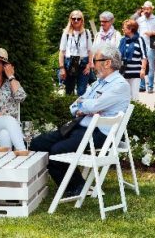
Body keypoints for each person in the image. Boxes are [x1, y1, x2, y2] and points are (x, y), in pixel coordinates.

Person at [30, 43, 131, 197]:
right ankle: (44, 184)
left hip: (99, 133)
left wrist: (84, 106)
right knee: (38, 143)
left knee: (57, 150)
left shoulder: (119, 85)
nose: (92, 65)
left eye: (95, 61)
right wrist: (84, 107)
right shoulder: (98, 82)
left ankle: (76, 187)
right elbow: (76, 105)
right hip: (80, 126)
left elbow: (93, 105)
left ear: (107, 63)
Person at [59, 10, 92, 95]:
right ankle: (69, 107)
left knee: (81, 91)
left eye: (78, 18)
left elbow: (90, 51)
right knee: (69, 90)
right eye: (74, 18)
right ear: (71, 20)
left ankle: (81, 108)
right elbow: (62, 51)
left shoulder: (87, 32)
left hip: (83, 63)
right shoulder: (66, 33)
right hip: (70, 62)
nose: (76, 20)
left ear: (82, 20)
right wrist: (62, 68)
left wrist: (89, 65)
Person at [136, 1, 155, 94]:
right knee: (141, 65)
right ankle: (142, 85)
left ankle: (150, 86)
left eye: (148, 9)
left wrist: (152, 33)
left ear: (151, 9)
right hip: (141, 45)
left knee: (151, 66)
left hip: (151, 46)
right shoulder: (139, 20)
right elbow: (137, 32)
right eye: (145, 9)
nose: (146, 11)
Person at [119, 19, 148, 101]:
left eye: (124, 28)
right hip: (124, 72)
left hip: (136, 72)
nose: (123, 29)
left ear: (131, 29)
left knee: (134, 96)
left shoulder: (139, 40)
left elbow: (144, 56)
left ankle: (135, 112)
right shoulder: (122, 40)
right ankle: (125, 113)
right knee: (125, 96)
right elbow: (118, 55)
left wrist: (143, 69)